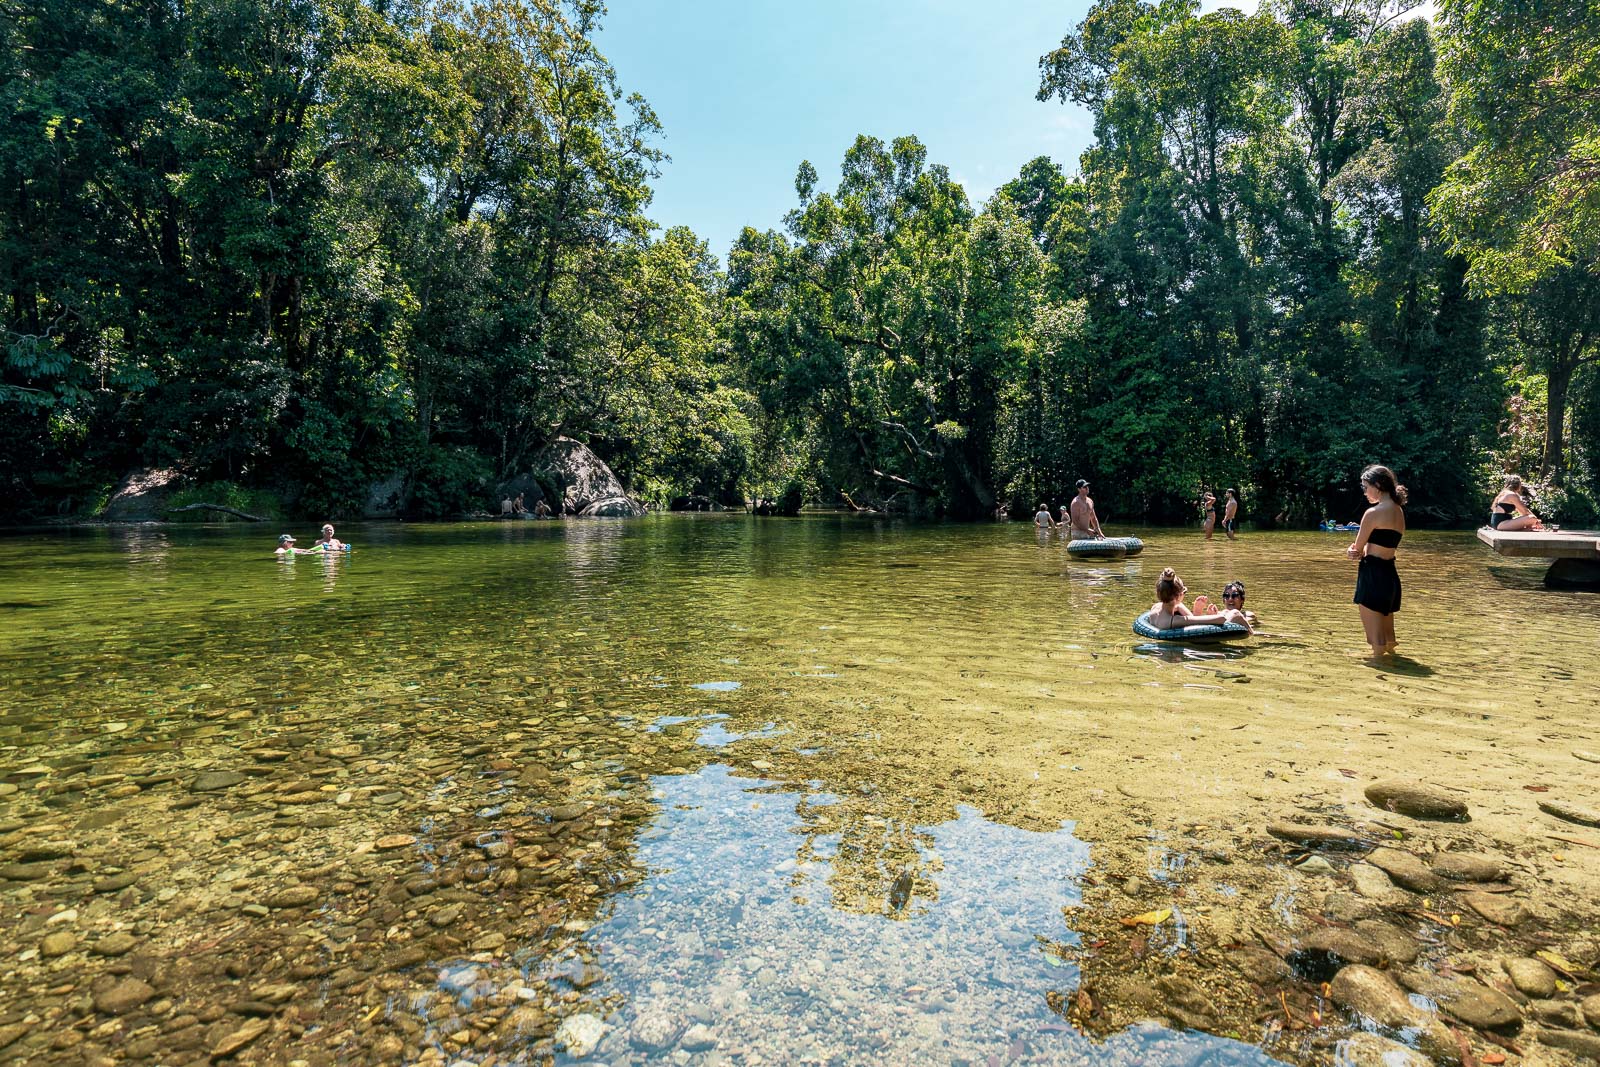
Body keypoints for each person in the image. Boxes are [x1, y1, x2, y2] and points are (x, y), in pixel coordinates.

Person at [1347, 464, 1406, 657]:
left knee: (1376, 640)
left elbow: (1357, 551)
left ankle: (1379, 675)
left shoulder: (1372, 513)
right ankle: (1396, 665)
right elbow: (1386, 544)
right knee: (1389, 638)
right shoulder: (1398, 511)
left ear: (1378, 484)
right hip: (1390, 576)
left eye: (1366, 487)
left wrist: (1351, 550)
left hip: (1372, 574)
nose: (1364, 492)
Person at [1149, 568, 1248, 631]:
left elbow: (1178, 605)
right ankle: (1252, 634)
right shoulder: (1175, 621)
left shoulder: (1155, 609)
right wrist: (1216, 614)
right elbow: (1221, 619)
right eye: (1184, 592)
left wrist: (1193, 613)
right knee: (1235, 613)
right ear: (1178, 596)